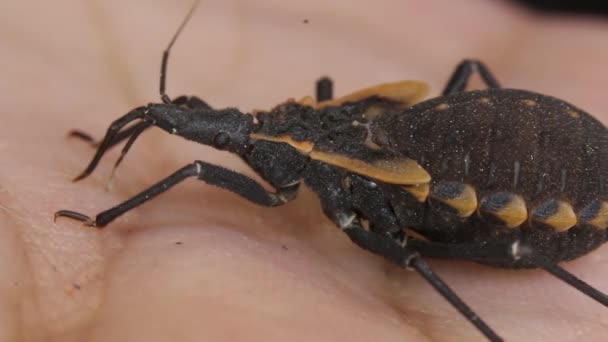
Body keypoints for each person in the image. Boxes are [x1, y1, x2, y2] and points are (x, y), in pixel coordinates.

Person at [2, 0, 607, 340]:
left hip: (559, 194)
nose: (223, 138)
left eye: (229, 134)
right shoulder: (306, 121)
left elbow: (200, 159)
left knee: (426, 254)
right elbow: (200, 122)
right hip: (453, 131)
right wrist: (167, 114)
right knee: (471, 74)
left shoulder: (304, 169)